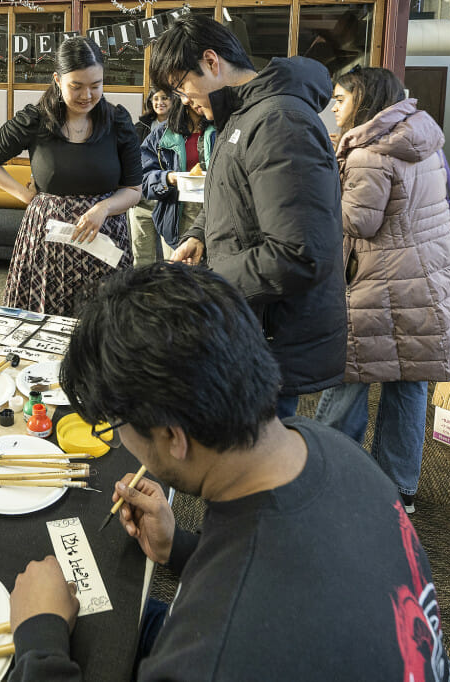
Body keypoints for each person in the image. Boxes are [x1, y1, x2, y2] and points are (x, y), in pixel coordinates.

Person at [8, 263, 450, 681]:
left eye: (119, 425)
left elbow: (247, 622)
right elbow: (286, 589)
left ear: (173, 436)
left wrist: (39, 640)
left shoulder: (215, 653)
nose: (122, 438)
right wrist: (180, 549)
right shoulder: (332, 449)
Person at [314, 66, 450, 513]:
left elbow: (359, 222)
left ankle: (329, 476)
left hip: (378, 283)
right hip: (429, 280)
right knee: (410, 381)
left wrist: (321, 192)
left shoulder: (366, 153)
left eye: (340, 98)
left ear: (366, 101)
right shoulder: (422, 139)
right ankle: (398, 488)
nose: (334, 107)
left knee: (349, 374)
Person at [153, 14, 346, 417]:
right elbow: (235, 196)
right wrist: (200, 234)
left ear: (211, 61)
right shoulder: (240, 115)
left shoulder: (278, 121)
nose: (182, 99)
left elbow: (297, 252)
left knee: (259, 460)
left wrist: (207, 284)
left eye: (181, 86)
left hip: (275, 331)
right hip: (251, 318)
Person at [0, 36, 142, 316]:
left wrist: (104, 208)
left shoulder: (118, 122)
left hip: (103, 239)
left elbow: (134, 190)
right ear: (57, 80)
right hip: (46, 242)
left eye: (95, 86)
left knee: (102, 325)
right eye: (76, 86)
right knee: (42, 323)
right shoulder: (36, 120)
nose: (87, 95)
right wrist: (26, 196)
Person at [139, 94, 216, 259]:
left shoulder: (223, 129)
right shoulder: (163, 133)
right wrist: (168, 178)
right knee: (180, 276)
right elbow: (142, 177)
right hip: (177, 214)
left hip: (216, 213)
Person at [128, 89, 174, 266]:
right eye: (155, 99)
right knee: (141, 255)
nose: (160, 102)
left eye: (164, 98)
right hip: (142, 197)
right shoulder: (140, 127)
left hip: (168, 197)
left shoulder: (180, 126)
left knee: (172, 256)